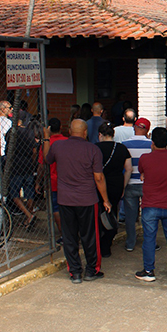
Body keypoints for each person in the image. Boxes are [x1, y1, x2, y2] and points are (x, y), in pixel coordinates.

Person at [44, 119, 112, 284]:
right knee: (90, 236)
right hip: (87, 199)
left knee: (69, 236)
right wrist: (106, 200)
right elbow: (99, 177)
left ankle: (75, 272)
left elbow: (47, 159)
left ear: (69, 130)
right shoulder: (93, 149)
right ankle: (91, 270)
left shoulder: (58, 146)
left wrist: (46, 138)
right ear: (85, 132)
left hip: (65, 199)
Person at [135, 127, 167, 282]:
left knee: (149, 239)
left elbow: (142, 172)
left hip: (150, 204)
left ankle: (149, 270)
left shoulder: (145, 158)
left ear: (152, 142)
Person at [96, 122, 131, 258]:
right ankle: (107, 245)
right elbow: (128, 169)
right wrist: (123, 185)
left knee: (98, 214)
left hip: (98, 185)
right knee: (112, 213)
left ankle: (98, 244)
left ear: (100, 134)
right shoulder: (121, 148)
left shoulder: (95, 148)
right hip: (116, 185)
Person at [122, 118, 152, 252]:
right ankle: (150, 242)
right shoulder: (151, 145)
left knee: (130, 216)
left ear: (134, 127)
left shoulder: (124, 144)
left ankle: (130, 243)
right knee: (149, 215)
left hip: (130, 183)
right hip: (146, 185)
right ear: (147, 130)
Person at [4, 114, 39, 230]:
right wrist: (32, 162)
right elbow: (34, 150)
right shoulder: (29, 132)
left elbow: (7, 148)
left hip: (15, 166)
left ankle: (28, 216)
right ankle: (29, 215)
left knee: (14, 193)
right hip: (28, 164)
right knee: (29, 192)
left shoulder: (12, 132)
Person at [37, 118, 68, 241]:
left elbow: (41, 165)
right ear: (61, 127)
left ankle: (63, 234)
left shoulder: (47, 144)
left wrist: (38, 181)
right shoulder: (67, 141)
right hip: (68, 180)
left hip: (53, 180)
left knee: (56, 208)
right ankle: (72, 232)